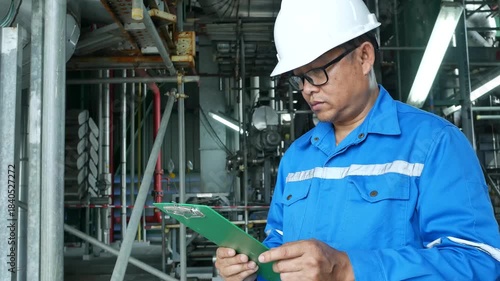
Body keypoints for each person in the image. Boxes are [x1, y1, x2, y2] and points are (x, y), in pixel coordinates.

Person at [215, 0, 500, 280]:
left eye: (316, 72)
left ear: (364, 57)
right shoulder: (297, 157)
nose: (307, 90)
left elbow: (478, 263)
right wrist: (253, 269)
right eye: (299, 78)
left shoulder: (435, 144)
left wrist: (350, 269)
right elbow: (279, 248)